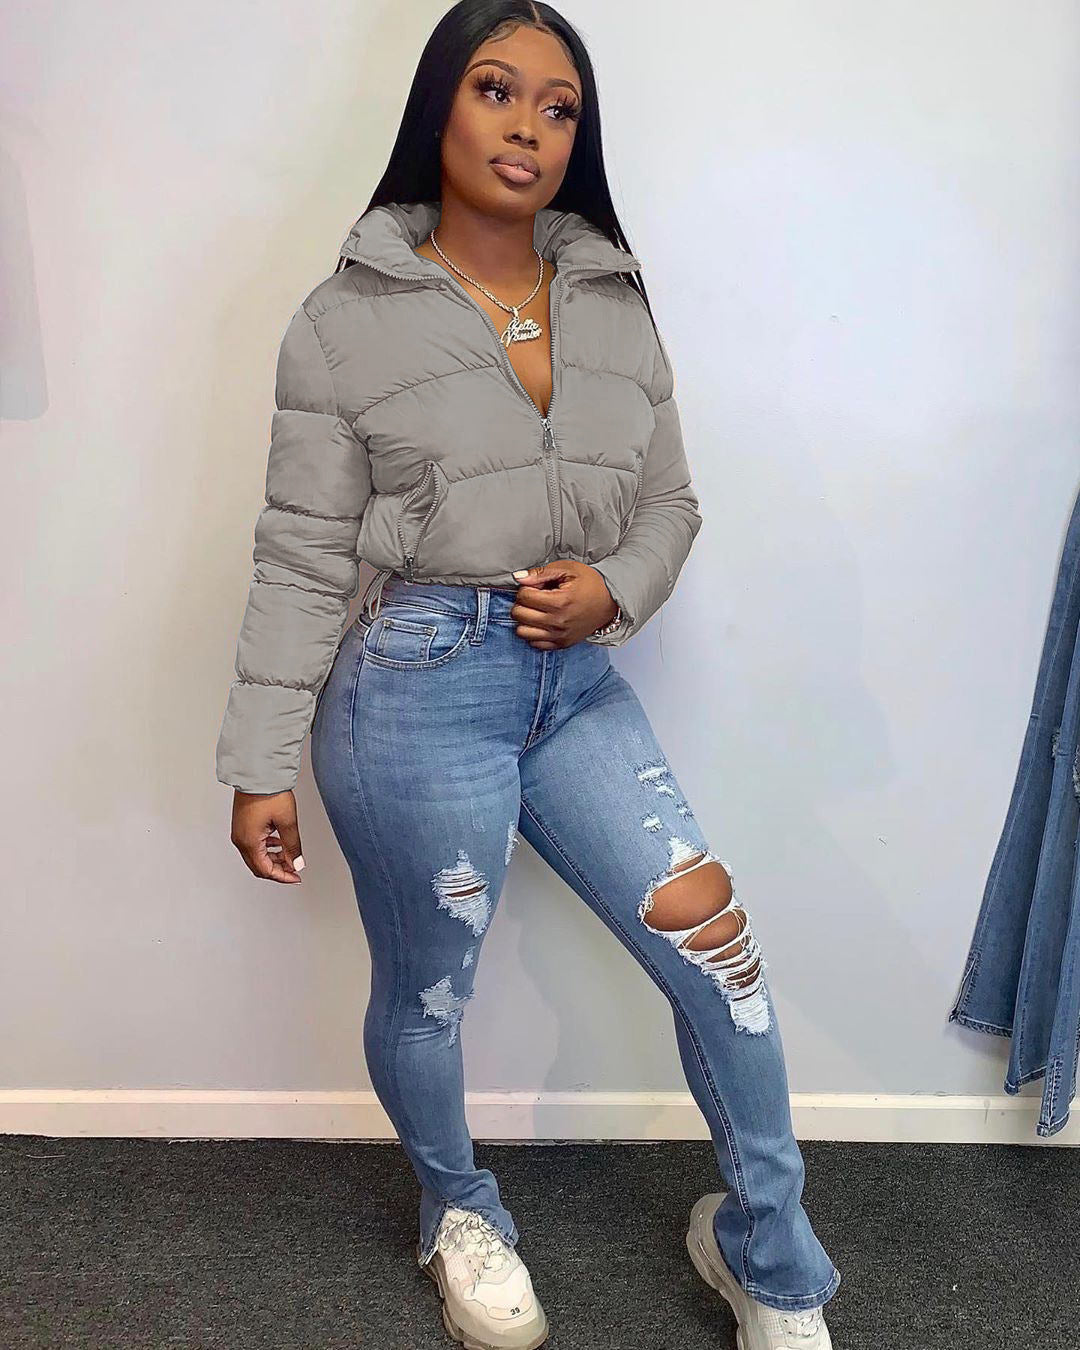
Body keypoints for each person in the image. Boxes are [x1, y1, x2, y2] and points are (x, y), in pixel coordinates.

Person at [215, 3, 840, 1347]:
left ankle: (773, 1260)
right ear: (438, 107)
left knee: (720, 956)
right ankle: (459, 1210)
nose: (529, 128)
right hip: (413, 689)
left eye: (559, 109)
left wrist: (618, 588)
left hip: (578, 691)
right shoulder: (342, 321)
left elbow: (669, 503)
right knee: (430, 988)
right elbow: (302, 552)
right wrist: (260, 759)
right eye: (496, 91)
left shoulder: (613, 298)